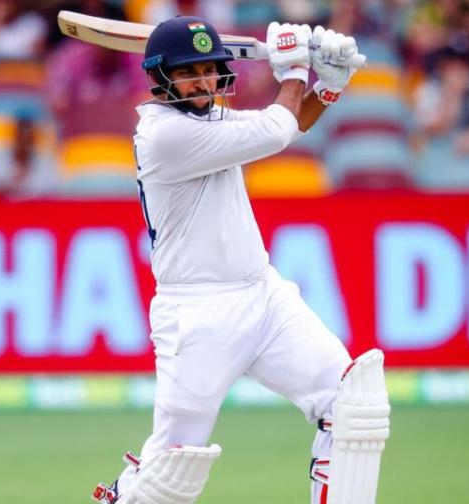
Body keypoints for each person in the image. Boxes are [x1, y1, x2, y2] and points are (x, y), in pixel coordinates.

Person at [88, 17, 390, 504]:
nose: (205, 82)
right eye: (190, 72)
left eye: (210, 70)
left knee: (353, 404)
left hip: (263, 296)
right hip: (197, 317)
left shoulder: (208, 118)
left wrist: (327, 86)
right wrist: (293, 69)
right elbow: (275, 129)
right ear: (159, 76)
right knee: (170, 473)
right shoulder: (164, 135)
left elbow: (286, 127)